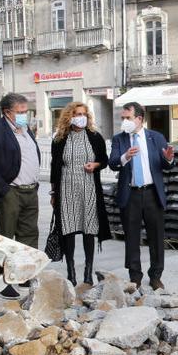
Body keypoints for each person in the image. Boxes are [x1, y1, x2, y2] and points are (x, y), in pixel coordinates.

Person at [0, 93, 40, 298]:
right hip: (10, 191)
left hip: (30, 190)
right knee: (6, 236)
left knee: (29, 234)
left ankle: (25, 274)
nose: (24, 116)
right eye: (20, 112)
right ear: (7, 112)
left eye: (26, 112)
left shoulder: (25, 129)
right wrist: (3, 190)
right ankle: (4, 281)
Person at [108, 102, 175, 290]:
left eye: (127, 118)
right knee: (132, 237)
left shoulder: (156, 137)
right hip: (131, 194)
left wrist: (169, 158)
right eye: (123, 118)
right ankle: (135, 276)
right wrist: (125, 157)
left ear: (139, 119)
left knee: (156, 237)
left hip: (152, 193)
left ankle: (155, 276)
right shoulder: (119, 139)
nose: (124, 121)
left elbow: (167, 164)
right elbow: (112, 163)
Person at [50, 102, 112, 286]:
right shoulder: (59, 139)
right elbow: (54, 167)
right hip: (67, 188)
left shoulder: (95, 137)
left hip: (89, 188)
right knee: (68, 230)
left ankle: (87, 273)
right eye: (77, 114)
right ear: (69, 116)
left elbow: (104, 160)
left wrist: (96, 165)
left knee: (89, 229)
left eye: (84, 114)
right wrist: (53, 192)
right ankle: (71, 273)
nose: (81, 117)